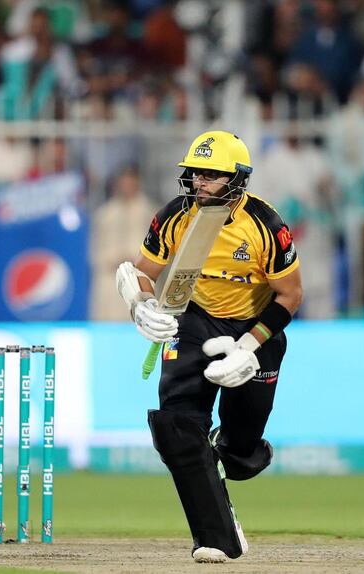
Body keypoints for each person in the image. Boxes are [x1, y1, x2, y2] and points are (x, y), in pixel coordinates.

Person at [116, 131, 303, 563]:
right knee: (176, 425)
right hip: (194, 319)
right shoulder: (175, 216)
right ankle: (217, 536)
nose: (199, 182)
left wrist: (249, 347)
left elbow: (290, 295)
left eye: (211, 175)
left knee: (240, 454)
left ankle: (232, 453)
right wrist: (141, 304)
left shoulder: (266, 225)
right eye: (195, 172)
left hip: (255, 327)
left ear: (237, 179)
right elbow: (144, 272)